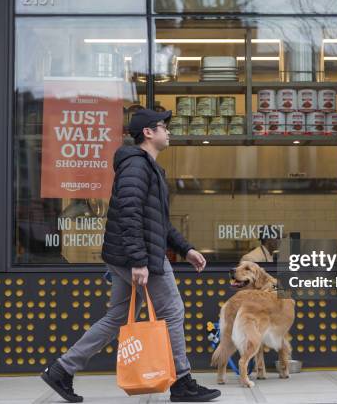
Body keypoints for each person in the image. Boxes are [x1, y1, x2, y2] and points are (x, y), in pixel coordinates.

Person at [41, 109, 222, 402]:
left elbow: (157, 222)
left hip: (131, 255)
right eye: (163, 127)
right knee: (173, 311)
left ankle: (61, 369)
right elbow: (129, 213)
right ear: (148, 133)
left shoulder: (148, 168)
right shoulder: (136, 166)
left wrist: (185, 249)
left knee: (116, 317)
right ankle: (182, 382)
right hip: (139, 257)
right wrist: (139, 261)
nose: (168, 132)